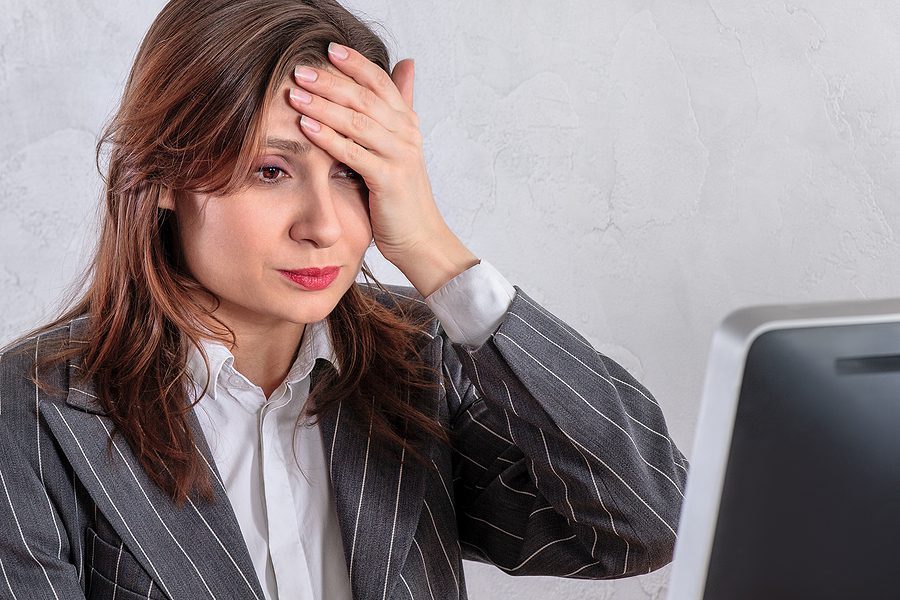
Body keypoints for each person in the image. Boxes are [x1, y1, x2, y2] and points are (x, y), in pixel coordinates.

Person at [0, 0, 688, 598]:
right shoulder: (32, 418)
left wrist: (432, 251)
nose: (324, 226)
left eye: (352, 172)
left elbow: (645, 522)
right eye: (271, 171)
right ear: (162, 178)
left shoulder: (425, 362)